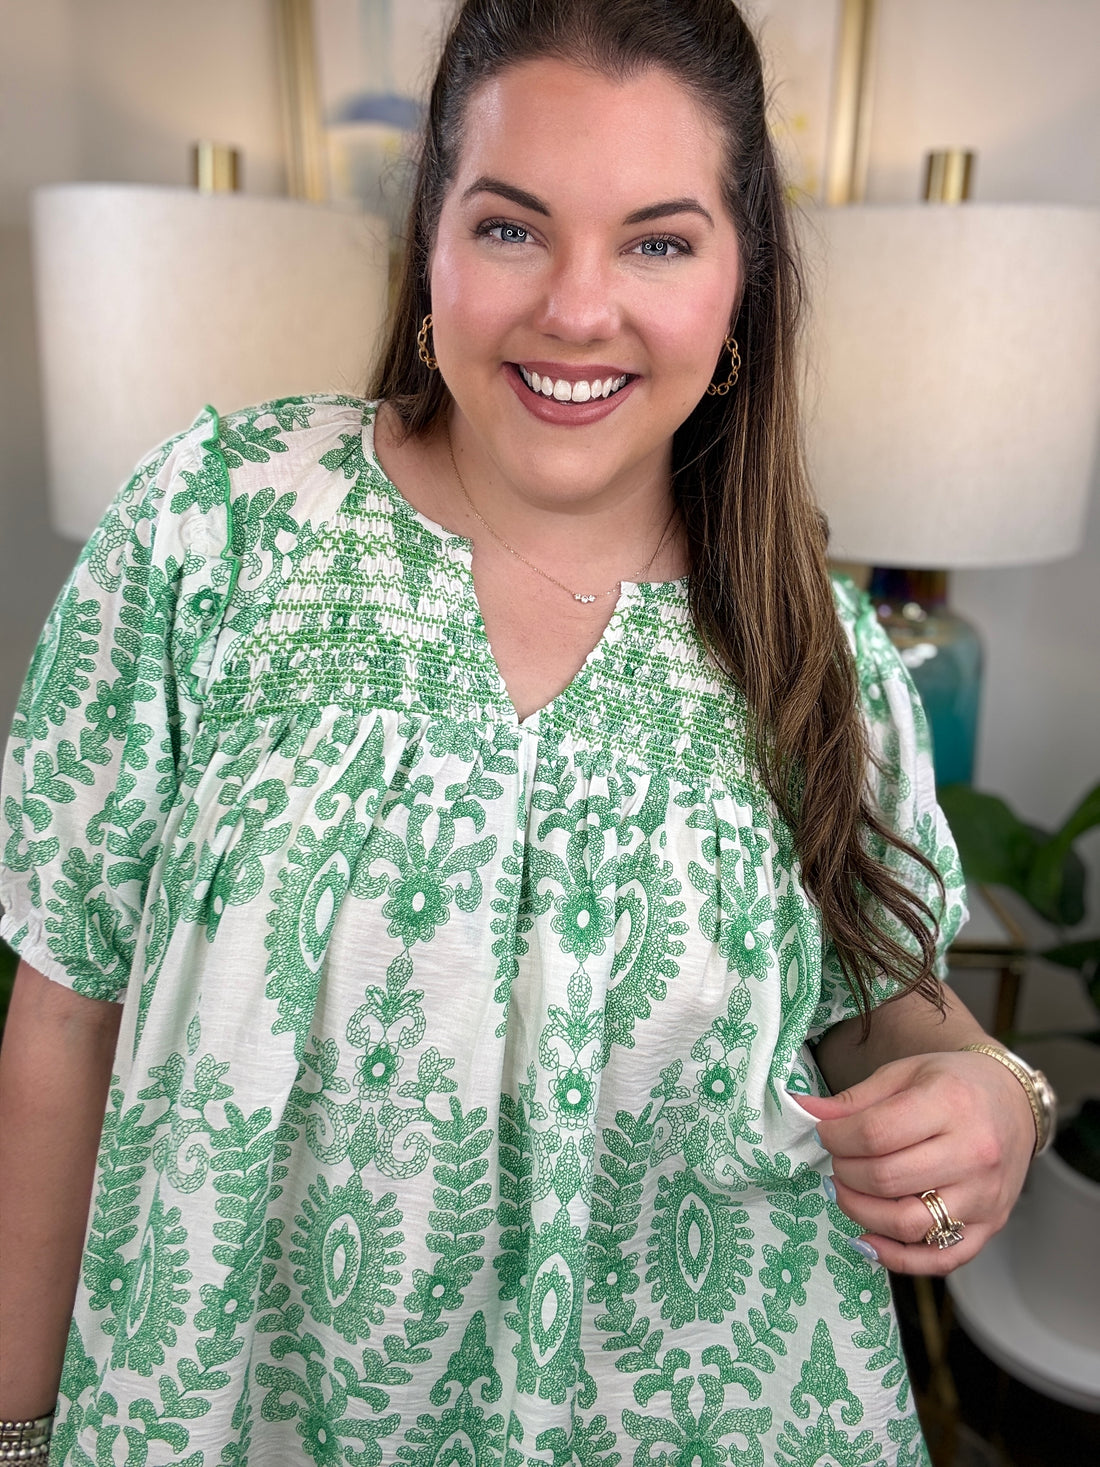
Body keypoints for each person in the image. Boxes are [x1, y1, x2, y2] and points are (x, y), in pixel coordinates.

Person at [0, 2, 1051, 1463]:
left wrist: (994, 1094)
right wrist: (18, 1430)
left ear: (741, 284)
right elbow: (66, 1014)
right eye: (511, 227)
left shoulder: (817, 647)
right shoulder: (213, 526)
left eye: (658, 244)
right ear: (430, 241)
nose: (576, 307)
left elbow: (888, 1002)